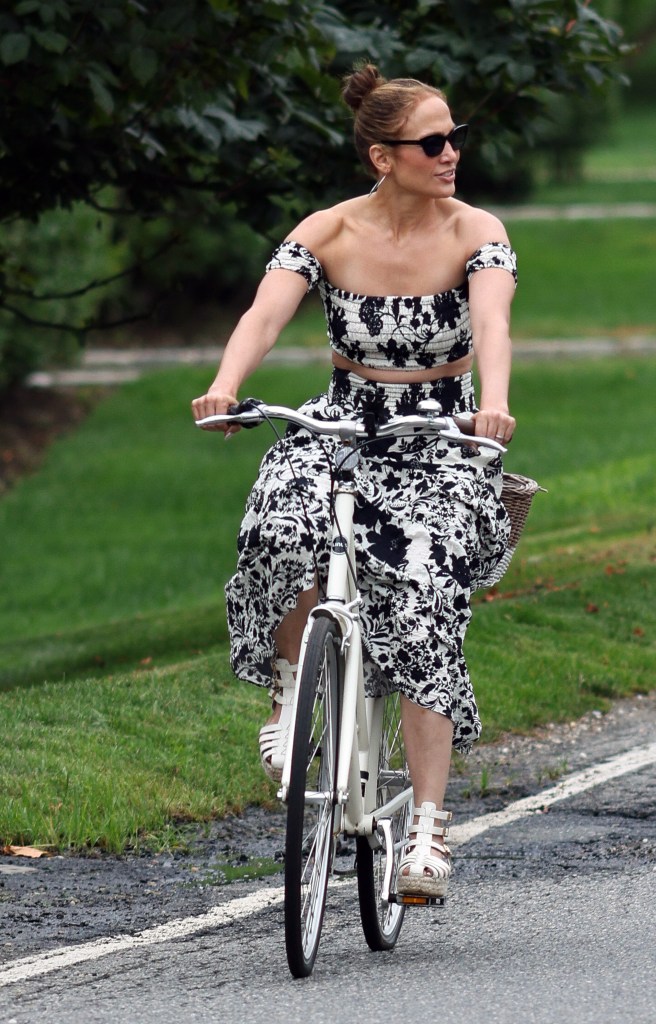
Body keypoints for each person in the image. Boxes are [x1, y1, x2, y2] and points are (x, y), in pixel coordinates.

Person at [191, 62, 517, 899]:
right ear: (383, 156)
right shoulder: (328, 231)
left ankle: (429, 831)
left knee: (420, 601)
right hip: (341, 420)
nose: (452, 153)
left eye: (456, 138)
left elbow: (493, 321)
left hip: (441, 435)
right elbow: (264, 313)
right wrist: (227, 386)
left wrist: (496, 407)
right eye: (433, 142)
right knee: (277, 522)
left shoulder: (474, 230)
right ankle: (290, 689)